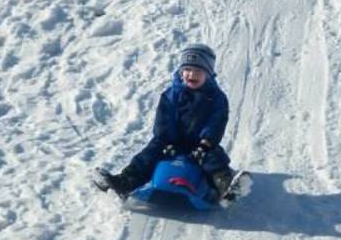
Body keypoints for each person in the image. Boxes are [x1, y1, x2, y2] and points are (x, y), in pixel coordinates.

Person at [93, 44, 237, 199]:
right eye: (187, 70)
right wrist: (166, 140)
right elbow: (164, 120)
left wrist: (205, 144)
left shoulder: (216, 98)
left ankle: (226, 187)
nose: (191, 75)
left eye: (198, 71)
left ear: (208, 74)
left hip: (201, 144)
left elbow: (216, 122)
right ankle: (124, 183)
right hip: (171, 142)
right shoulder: (172, 94)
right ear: (181, 71)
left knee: (215, 158)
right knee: (150, 153)